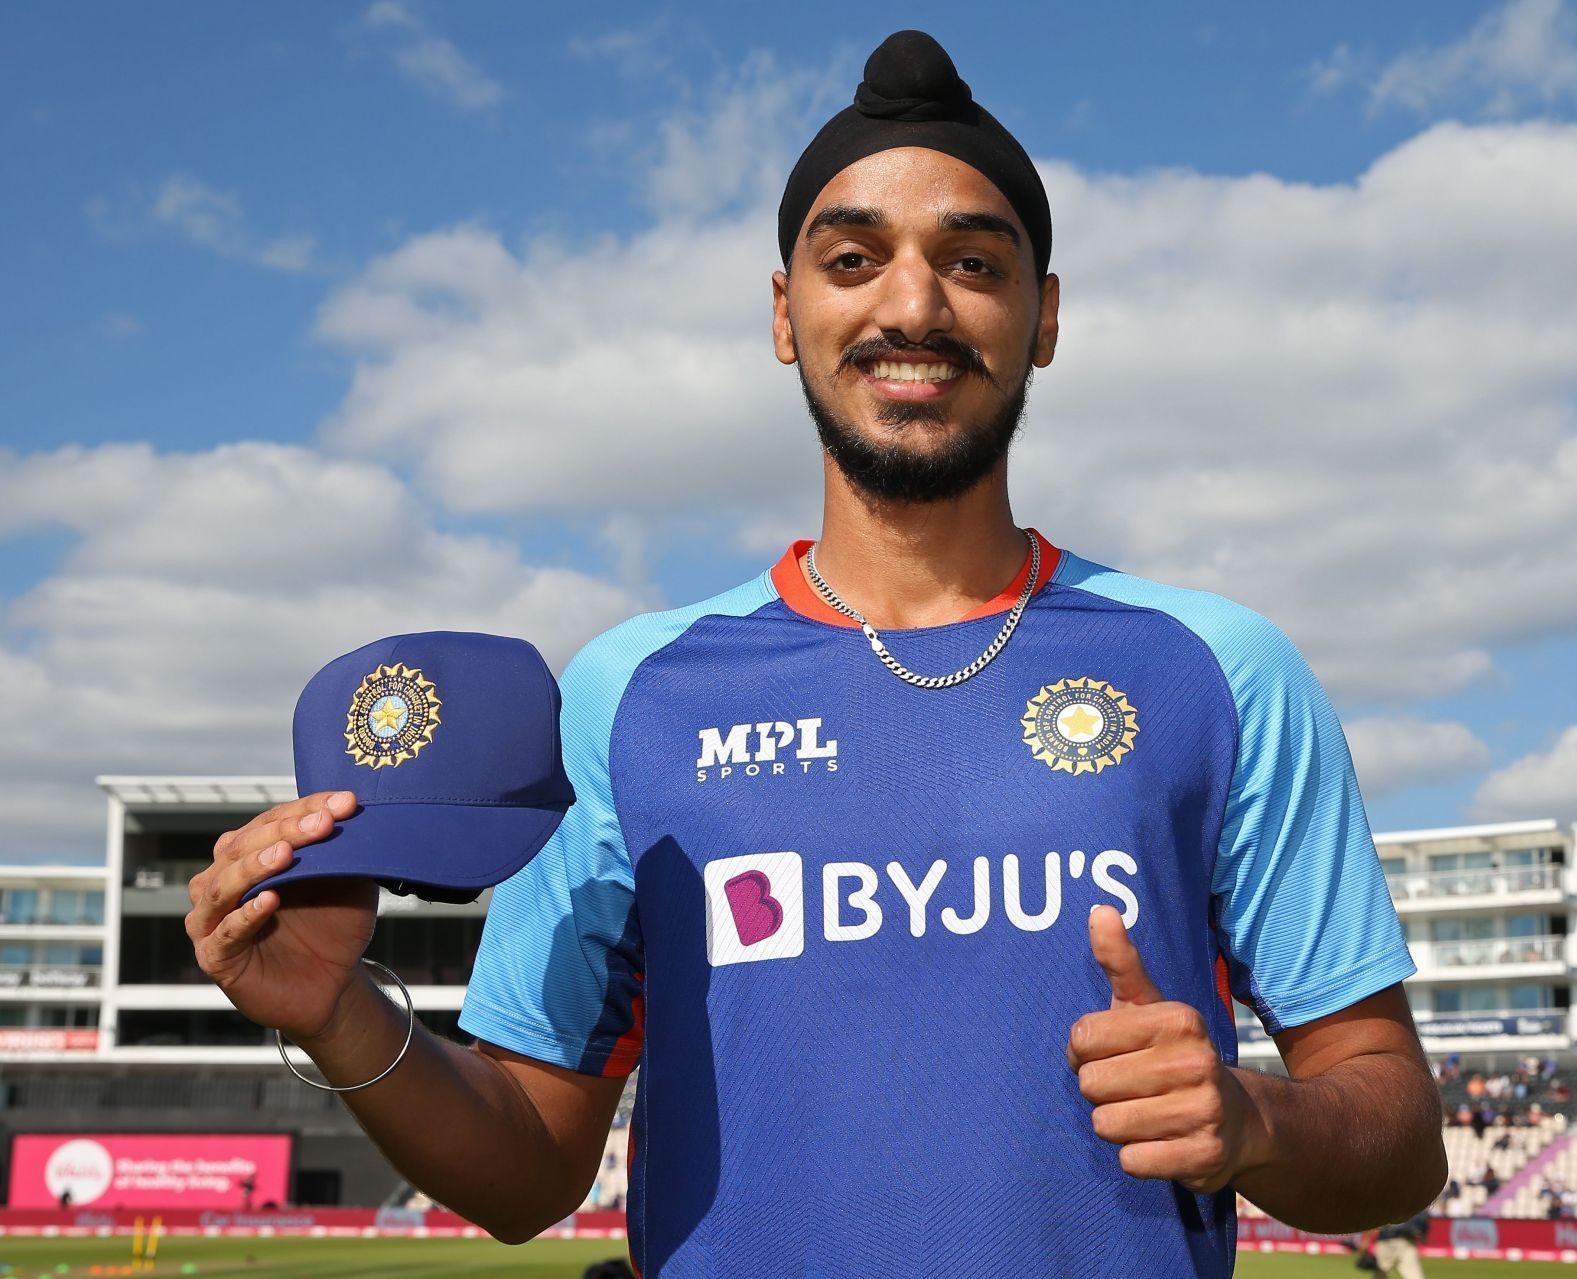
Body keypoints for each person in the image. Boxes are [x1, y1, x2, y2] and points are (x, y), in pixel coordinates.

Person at [181, 29, 1444, 1279]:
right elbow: (528, 1165)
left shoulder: (1217, 669)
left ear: (1043, 318)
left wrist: (1256, 1117)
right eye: (855, 258)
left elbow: (1396, 1130)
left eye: (974, 261)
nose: (912, 303)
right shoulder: (630, 695)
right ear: (786, 316)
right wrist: (337, 1015)